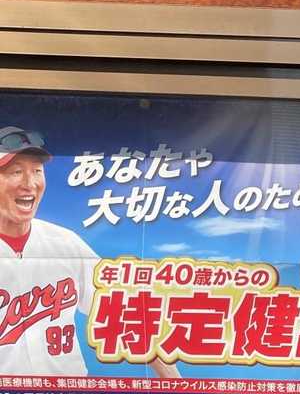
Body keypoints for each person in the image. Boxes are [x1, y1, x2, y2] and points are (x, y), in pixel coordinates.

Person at [0, 126, 172, 379]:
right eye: (16, 172)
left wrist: (178, 386)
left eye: (37, 171)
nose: (29, 183)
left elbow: (123, 316)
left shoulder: (64, 243)